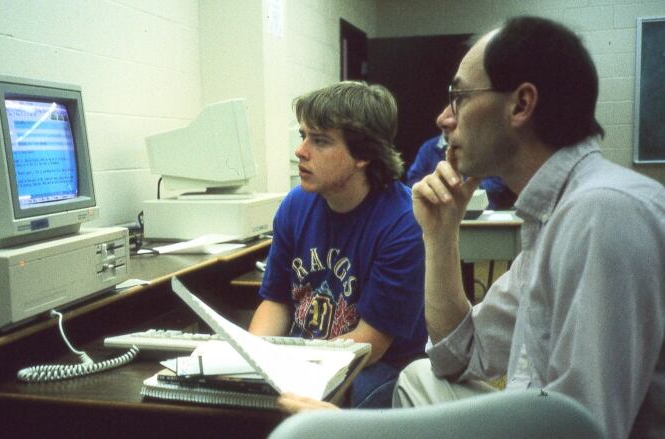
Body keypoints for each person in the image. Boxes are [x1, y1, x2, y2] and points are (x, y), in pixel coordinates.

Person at [396, 16, 664, 439]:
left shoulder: (601, 213)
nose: (443, 119)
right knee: (418, 378)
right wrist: (441, 235)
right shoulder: (556, 214)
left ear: (521, 104)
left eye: (459, 97)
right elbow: (457, 356)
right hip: (547, 422)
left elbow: (586, 431)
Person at [249, 81, 427, 408]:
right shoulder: (295, 205)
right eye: (303, 136)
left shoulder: (403, 222)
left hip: (377, 365)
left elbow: (370, 342)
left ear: (363, 155)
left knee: (330, 409)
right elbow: (276, 301)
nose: (300, 151)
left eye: (319, 141)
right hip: (311, 355)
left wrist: (294, 365)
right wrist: (252, 359)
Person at [406, 133, 517, 210]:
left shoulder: (485, 146)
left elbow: (499, 179)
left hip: (485, 213)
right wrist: (435, 189)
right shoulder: (428, 148)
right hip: (440, 211)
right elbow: (414, 178)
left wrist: (472, 188)